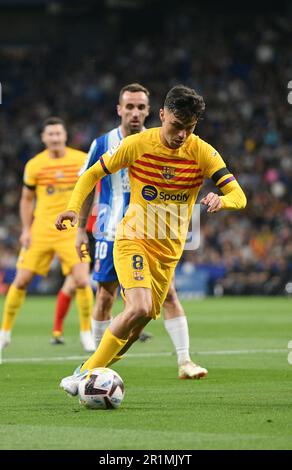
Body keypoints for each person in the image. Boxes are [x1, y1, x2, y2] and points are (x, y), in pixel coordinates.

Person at [56, 84, 247, 395]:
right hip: (132, 238)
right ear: (161, 115)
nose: (182, 134)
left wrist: (221, 200)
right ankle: (87, 373)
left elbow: (239, 196)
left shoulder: (203, 152)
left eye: (189, 127)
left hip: (167, 255)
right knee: (139, 308)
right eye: (176, 125)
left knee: (135, 326)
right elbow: (91, 174)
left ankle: (85, 371)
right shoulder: (138, 144)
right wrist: (72, 210)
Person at [0, 117, 95, 353]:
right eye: (50, 134)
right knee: (21, 280)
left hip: (71, 229)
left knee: (82, 279)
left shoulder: (80, 160)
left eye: (58, 134)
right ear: (43, 138)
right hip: (41, 228)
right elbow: (26, 199)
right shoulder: (34, 165)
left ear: (65, 136)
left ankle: (86, 333)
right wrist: (25, 229)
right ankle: (4, 333)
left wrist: (85, 225)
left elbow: (91, 190)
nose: (54, 138)